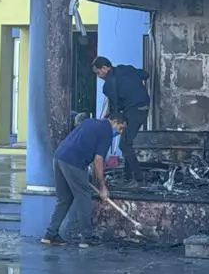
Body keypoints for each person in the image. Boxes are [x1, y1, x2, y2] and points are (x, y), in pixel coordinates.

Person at [41, 111, 127, 248]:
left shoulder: (91, 122)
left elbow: (92, 159)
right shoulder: (106, 132)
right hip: (74, 162)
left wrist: (95, 179)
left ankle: (50, 235)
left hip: (59, 157)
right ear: (115, 122)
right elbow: (98, 161)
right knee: (84, 198)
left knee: (64, 199)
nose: (120, 132)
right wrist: (102, 187)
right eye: (121, 128)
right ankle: (87, 238)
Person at [92, 56, 151, 186]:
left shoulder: (108, 85)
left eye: (98, 72)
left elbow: (116, 109)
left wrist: (107, 118)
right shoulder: (126, 68)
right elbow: (145, 74)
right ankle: (128, 177)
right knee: (126, 141)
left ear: (105, 68)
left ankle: (139, 180)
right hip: (144, 107)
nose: (98, 76)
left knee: (124, 144)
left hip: (134, 111)